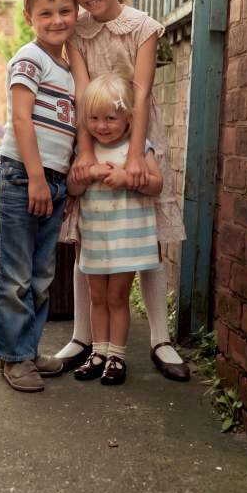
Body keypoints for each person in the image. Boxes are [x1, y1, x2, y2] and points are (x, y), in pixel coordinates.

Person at [55, 0, 190, 382]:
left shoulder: (143, 28)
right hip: (93, 132)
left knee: (144, 237)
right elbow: (80, 91)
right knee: (86, 238)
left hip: (138, 137)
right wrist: (86, 149)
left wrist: (135, 156)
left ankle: (158, 337)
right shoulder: (77, 33)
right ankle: (82, 337)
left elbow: (144, 92)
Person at [0, 0, 78, 392]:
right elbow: (20, 119)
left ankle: (26, 349)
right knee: (16, 276)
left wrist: (60, 180)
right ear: (29, 17)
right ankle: (11, 359)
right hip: (24, 178)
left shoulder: (67, 67)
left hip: (53, 181)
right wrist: (39, 177)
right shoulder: (30, 58)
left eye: (65, 11)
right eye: (46, 13)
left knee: (42, 277)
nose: (57, 20)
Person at [66, 64, 163, 385]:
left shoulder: (138, 148)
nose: (102, 126)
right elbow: (74, 189)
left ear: (128, 118)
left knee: (118, 297)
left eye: (111, 118)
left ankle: (117, 357)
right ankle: (98, 351)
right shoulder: (85, 151)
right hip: (95, 237)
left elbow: (156, 185)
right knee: (97, 298)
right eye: (94, 118)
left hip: (127, 239)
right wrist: (88, 173)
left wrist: (127, 178)